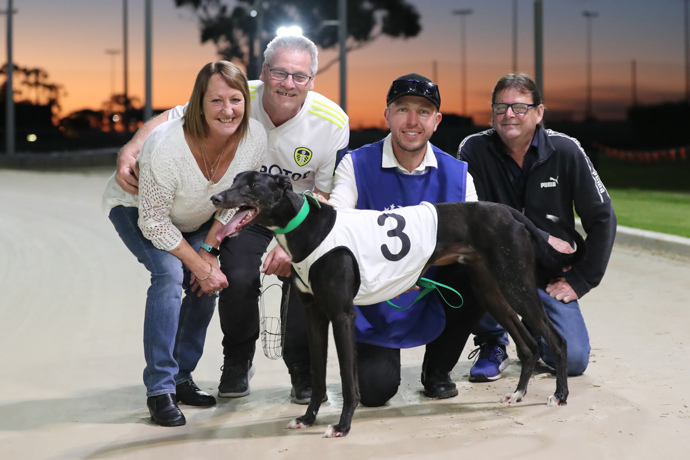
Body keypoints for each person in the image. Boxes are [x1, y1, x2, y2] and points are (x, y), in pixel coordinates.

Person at [114, 34, 350, 404]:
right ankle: (237, 360)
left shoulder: (332, 121)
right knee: (237, 275)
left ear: (312, 81)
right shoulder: (237, 96)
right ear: (263, 72)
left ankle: (303, 369)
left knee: (305, 275)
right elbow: (173, 116)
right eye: (280, 72)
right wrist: (131, 147)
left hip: (299, 215)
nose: (288, 83)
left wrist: (289, 245)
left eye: (300, 76)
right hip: (244, 212)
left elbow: (326, 192)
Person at [102, 61, 267, 426]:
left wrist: (208, 251)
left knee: (203, 283)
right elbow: (154, 223)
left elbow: (237, 199)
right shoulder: (167, 146)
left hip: (194, 217)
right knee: (169, 273)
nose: (228, 110)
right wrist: (195, 263)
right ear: (199, 103)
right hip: (137, 210)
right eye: (216, 100)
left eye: (236, 99)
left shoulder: (254, 137)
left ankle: (181, 377)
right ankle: (159, 389)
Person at [328, 73, 483, 406]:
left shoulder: (457, 173)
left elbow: (472, 242)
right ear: (387, 115)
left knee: (478, 272)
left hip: (433, 286)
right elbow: (339, 227)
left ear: (436, 121)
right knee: (374, 392)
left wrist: (416, 269)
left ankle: (438, 370)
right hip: (376, 294)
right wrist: (394, 273)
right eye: (402, 110)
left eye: (423, 112)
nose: (412, 121)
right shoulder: (354, 164)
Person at [456, 72, 617, 382]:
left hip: (546, 276)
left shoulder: (566, 150)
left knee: (573, 361)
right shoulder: (473, 150)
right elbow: (469, 218)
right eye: (500, 107)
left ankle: (532, 330)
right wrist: (541, 237)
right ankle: (493, 342)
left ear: (539, 112)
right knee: (467, 265)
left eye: (519, 107)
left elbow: (603, 217)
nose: (508, 115)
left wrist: (582, 280)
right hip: (494, 270)